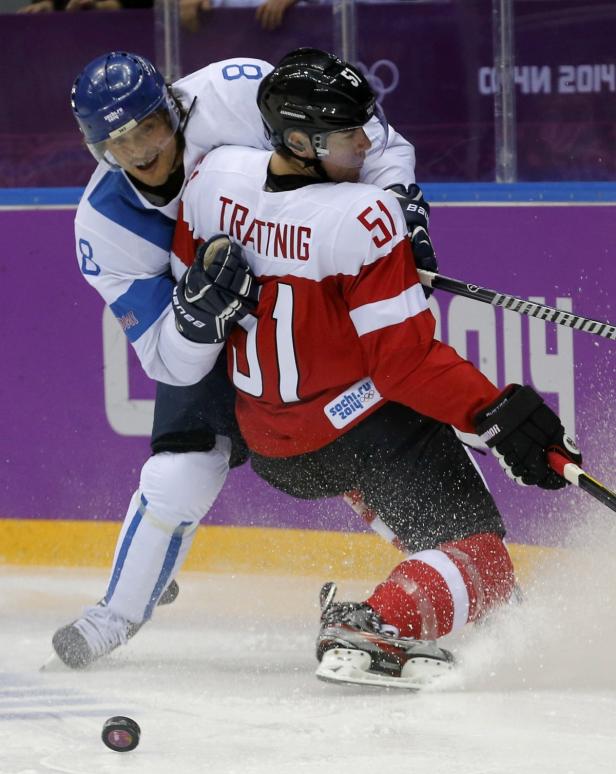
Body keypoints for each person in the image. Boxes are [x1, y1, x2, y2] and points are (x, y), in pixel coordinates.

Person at [170, 48, 583, 688]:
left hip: (275, 444)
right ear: (300, 142)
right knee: (487, 562)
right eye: (348, 135)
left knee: (454, 561)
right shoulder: (364, 216)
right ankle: (375, 621)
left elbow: (194, 278)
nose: (366, 143)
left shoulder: (212, 179)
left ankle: (418, 588)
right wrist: (498, 414)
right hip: (364, 430)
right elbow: (406, 366)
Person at [53, 50, 433, 669]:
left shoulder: (237, 93)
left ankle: (446, 564)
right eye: (118, 142)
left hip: (309, 299)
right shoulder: (104, 226)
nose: (141, 151)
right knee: (182, 469)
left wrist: (399, 209)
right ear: (97, 150)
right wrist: (199, 319)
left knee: (363, 429)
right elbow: (167, 361)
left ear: (172, 106)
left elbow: (371, 139)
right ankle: (116, 613)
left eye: (148, 126)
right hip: (223, 341)